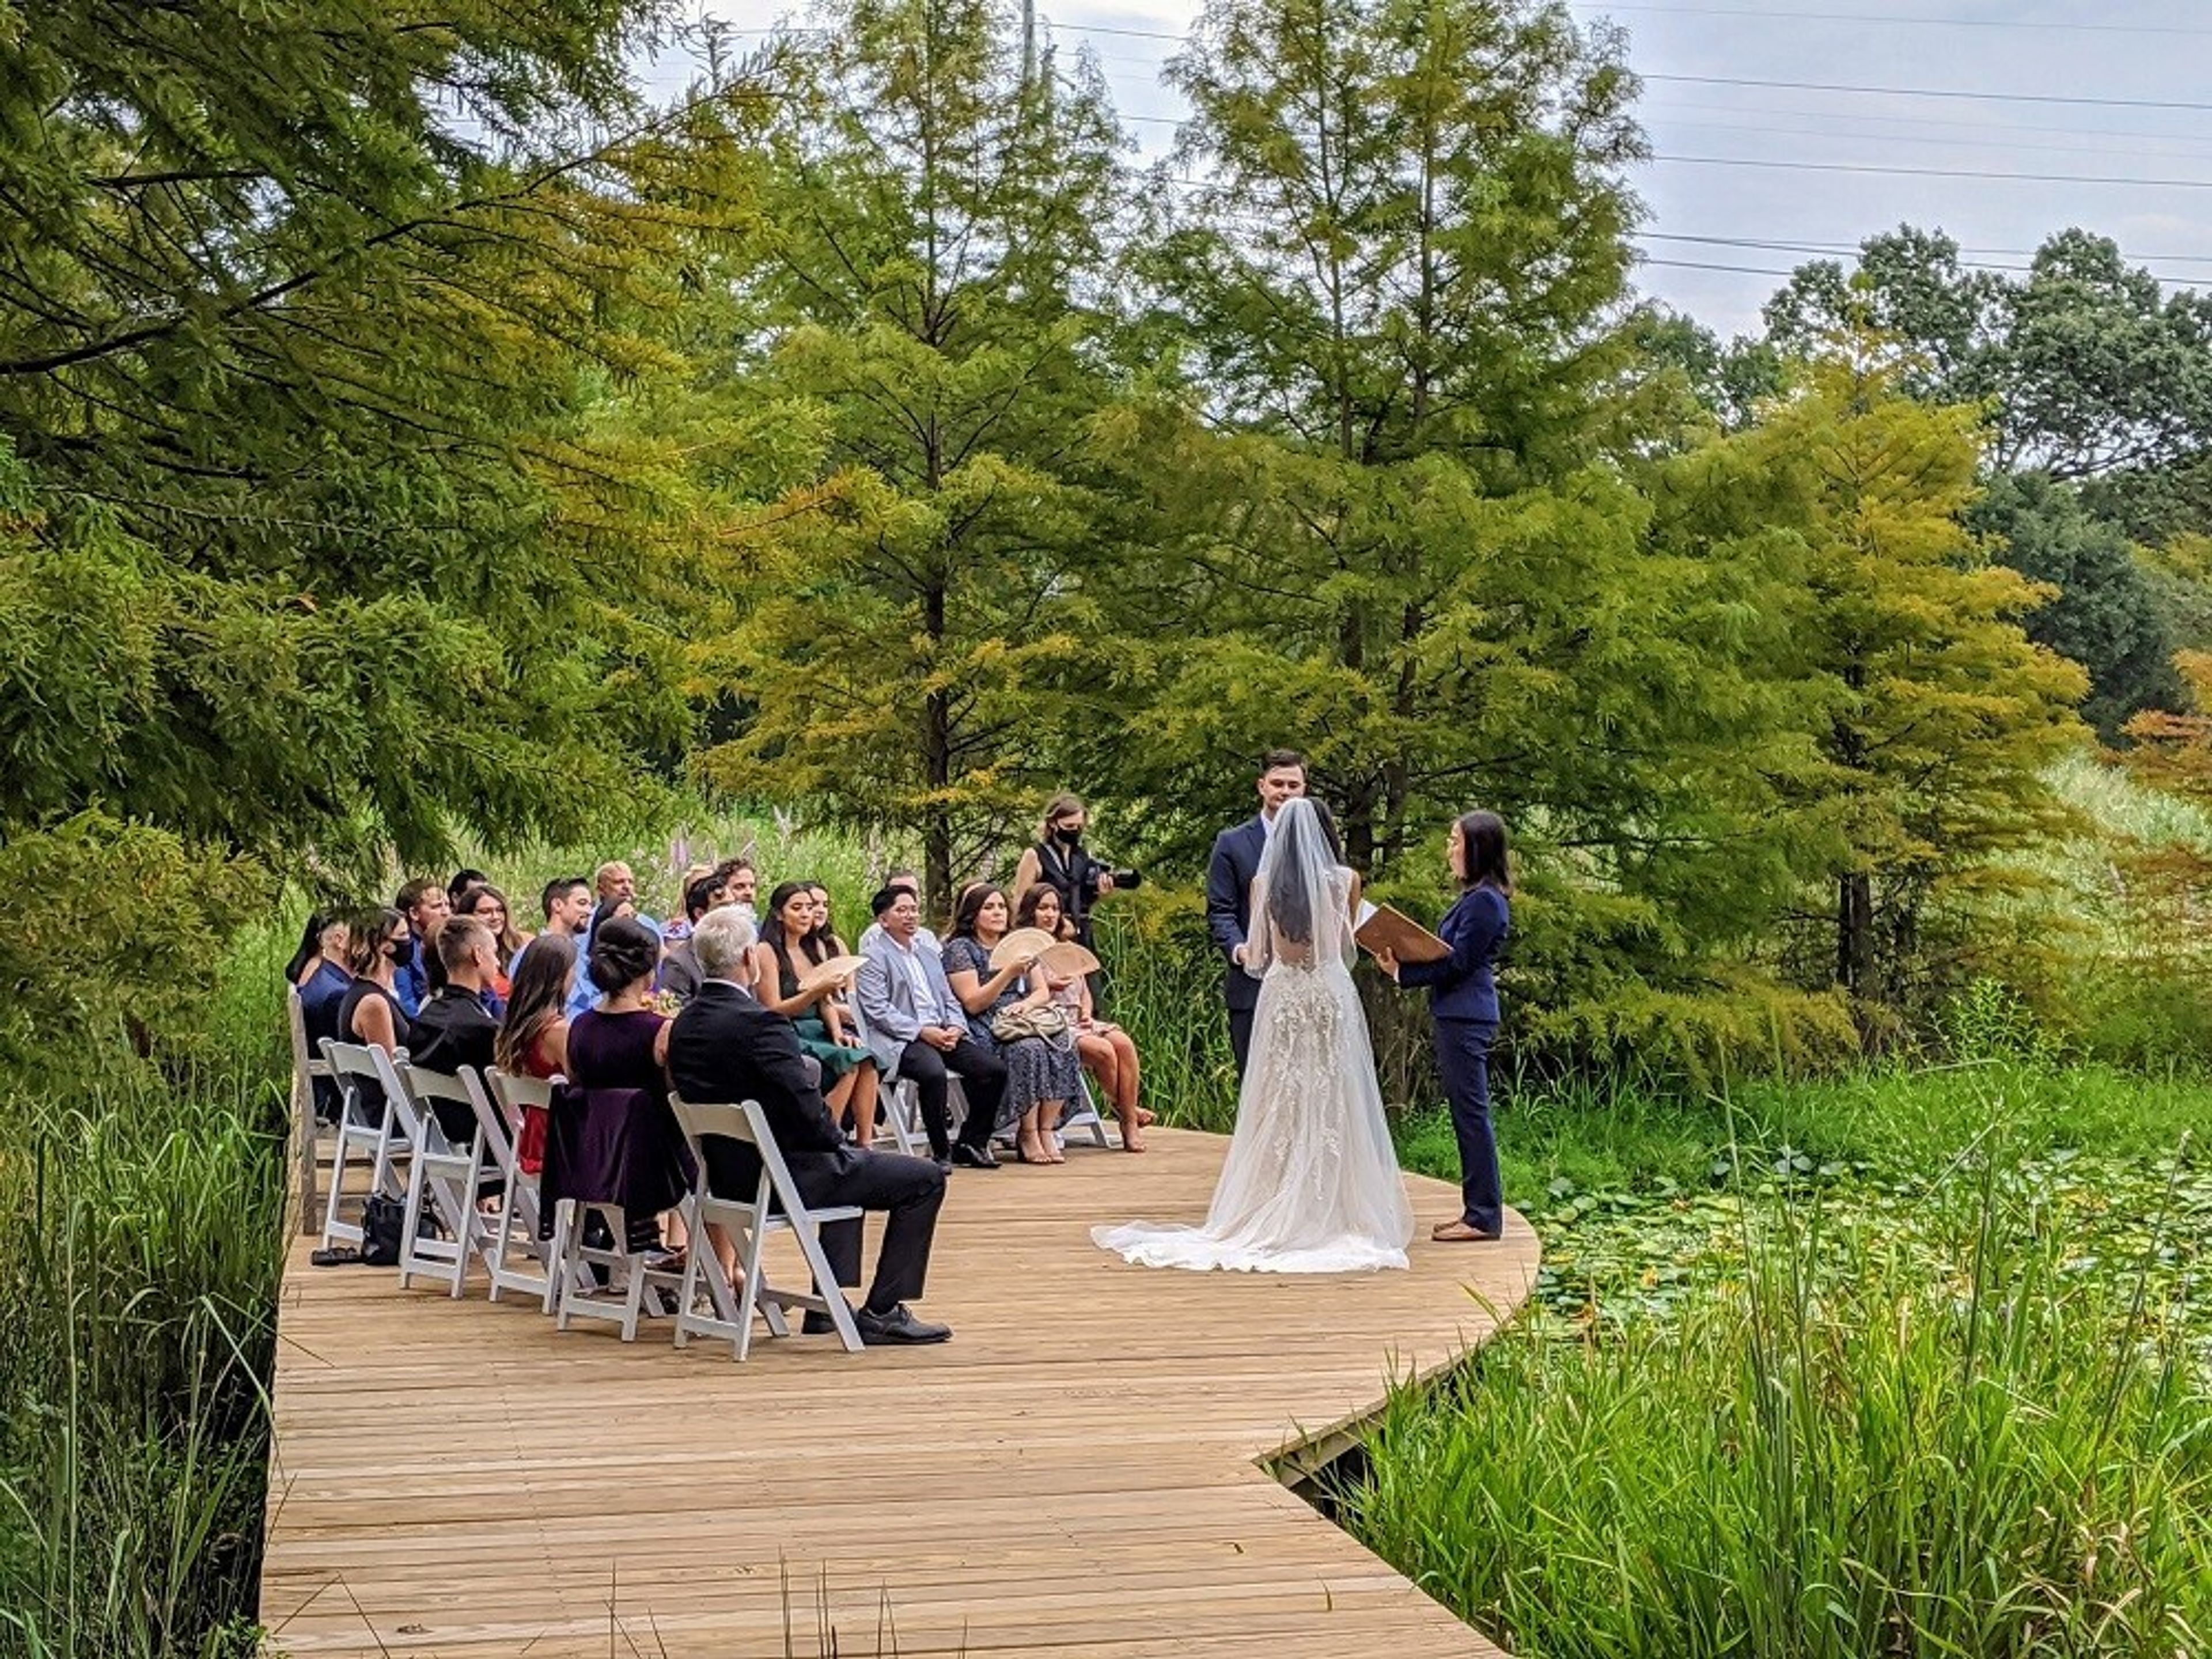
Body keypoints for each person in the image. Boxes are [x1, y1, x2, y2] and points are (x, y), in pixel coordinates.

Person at [1095, 797, 1414, 1272]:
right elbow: (1346, 948)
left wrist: (1263, 957)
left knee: (1280, 1093)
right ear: (1327, 834)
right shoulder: (1346, 881)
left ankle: (1276, 1196)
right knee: (1332, 1093)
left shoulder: (1264, 883)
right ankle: (1334, 1204)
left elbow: (1261, 955)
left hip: (1283, 995)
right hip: (1328, 992)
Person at [667, 907, 953, 1344]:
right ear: (750, 958)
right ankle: (883, 1310)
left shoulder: (685, 1024)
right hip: (780, 1177)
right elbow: (804, 1108)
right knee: (925, 1179)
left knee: (852, 1164)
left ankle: (828, 1306)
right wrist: (837, 1142)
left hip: (724, 1178)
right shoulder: (761, 1025)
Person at [1375, 811, 1513, 1244]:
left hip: (1467, 1015)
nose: (1449, 850)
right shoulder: (1474, 897)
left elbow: (1458, 962)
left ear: (1477, 848)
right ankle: (1477, 1211)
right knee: (1465, 1111)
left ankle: (1484, 1215)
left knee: (1471, 1113)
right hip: (1457, 1013)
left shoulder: (1487, 901)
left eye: (1455, 841)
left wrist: (1403, 974)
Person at [543, 916, 690, 1256]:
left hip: (590, 1159)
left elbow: (578, 1088)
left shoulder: (579, 1027)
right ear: (648, 972)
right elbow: (675, 1096)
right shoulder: (660, 1031)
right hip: (652, 1168)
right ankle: (711, 1267)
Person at [856, 885, 1009, 1169]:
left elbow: (948, 998)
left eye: (914, 909)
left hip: (942, 1031)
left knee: (993, 1070)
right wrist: (921, 1031)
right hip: (902, 1038)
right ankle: (940, 1152)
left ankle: (971, 1142)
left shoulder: (927, 953)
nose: (910, 916)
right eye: (901, 911)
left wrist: (956, 1027)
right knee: (932, 1072)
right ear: (883, 920)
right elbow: (877, 1010)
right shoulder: (873, 957)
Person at [942, 883, 1081, 1166]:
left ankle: (1047, 1130)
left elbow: (1041, 990)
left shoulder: (1020, 942)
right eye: (989, 907)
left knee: (1064, 1042)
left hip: (1022, 1014)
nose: (997, 913)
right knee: (1028, 1049)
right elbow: (972, 1002)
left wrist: (1026, 1005)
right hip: (987, 1021)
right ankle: (1026, 1132)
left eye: (1002, 907)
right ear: (974, 914)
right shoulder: (961, 949)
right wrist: (1008, 973)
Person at [1020, 883, 1148, 1153]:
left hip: (1079, 1017)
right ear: (1031, 911)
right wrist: (1051, 987)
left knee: (1123, 1043)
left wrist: (1087, 1013)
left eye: (1055, 908)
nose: (1050, 914)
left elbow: (1084, 990)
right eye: (1043, 908)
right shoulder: (1023, 950)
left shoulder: (1066, 946)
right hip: (1050, 1022)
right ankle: (1128, 1114)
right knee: (1104, 1052)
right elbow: (1027, 993)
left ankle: (1128, 1117)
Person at [751, 881, 881, 1147]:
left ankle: (865, 1144)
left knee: (865, 1058)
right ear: (779, 914)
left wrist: (838, 1033)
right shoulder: (767, 951)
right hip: (787, 1030)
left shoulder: (816, 949)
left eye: (809, 908)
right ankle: (825, 1138)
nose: (805, 914)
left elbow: (827, 1002)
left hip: (819, 1026)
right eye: (796, 908)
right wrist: (813, 994)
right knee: (847, 1064)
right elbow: (773, 1008)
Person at [1206, 751, 1309, 1080]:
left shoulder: (1316, 845)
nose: (1285, 791)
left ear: (1304, 789)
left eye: (1294, 785)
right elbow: (1220, 911)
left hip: (1305, 984)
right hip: (1251, 985)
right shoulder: (1232, 843)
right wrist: (1241, 949)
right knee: (1257, 1083)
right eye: (1278, 783)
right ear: (1262, 786)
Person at [407, 915, 504, 1148]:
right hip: (487, 1147)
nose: (499, 963)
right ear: (478, 954)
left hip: (438, 1140)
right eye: (494, 952)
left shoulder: (425, 1018)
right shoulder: (482, 1029)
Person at [495, 933, 577, 1177]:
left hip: (531, 1142)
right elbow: (581, 1087)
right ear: (560, 977)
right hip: (562, 1145)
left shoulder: (510, 1029)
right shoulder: (557, 1032)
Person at [1010, 793, 1127, 956]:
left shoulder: (1082, 857)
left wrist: (1101, 892)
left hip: (1081, 937)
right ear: (1052, 823)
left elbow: (1084, 901)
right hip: (1048, 939)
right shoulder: (1035, 855)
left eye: (1079, 827)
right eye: (1069, 826)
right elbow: (1020, 903)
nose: (1075, 831)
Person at [336, 906, 414, 1116]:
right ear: (384, 945)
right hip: (393, 1117)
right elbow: (391, 1076)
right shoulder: (373, 1003)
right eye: (404, 935)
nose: (410, 941)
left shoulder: (373, 992)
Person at [657, 872, 722, 1005]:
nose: (733, 914)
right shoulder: (679, 963)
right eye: (723, 908)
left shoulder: (742, 954)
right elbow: (678, 1017)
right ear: (700, 914)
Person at [391, 878, 452, 1016]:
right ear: (414, 913)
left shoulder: (455, 944)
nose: (446, 912)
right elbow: (406, 1003)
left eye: (447, 905)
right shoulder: (404, 952)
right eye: (436, 906)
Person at [456, 883, 528, 993]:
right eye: (485, 912)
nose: (495, 917)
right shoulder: (460, 953)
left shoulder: (520, 947)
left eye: (500, 910)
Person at [594, 860, 662, 938]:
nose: (627, 887)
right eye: (619, 882)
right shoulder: (586, 921)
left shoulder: (648, 924)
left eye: (631, 882)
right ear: (601, 889)